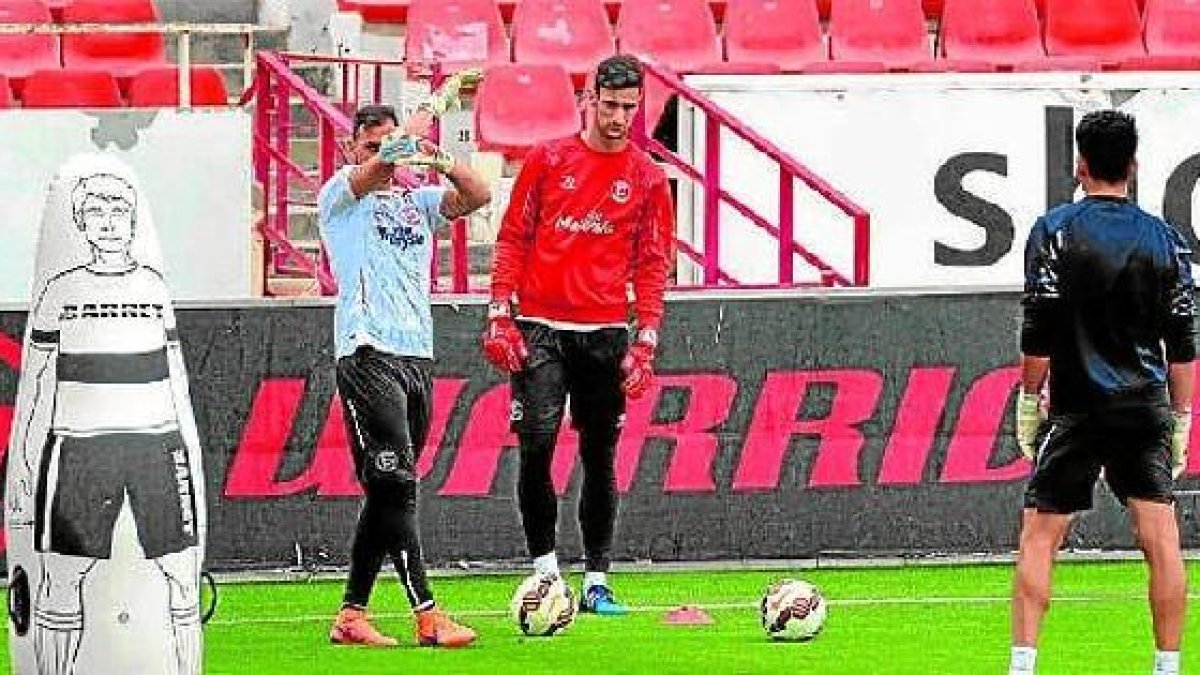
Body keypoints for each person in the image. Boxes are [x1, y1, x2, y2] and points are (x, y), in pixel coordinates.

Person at [481, 54, 676, 615]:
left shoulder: (647, 177)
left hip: (605, 332)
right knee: (537, 446)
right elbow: (514, 237)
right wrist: (499, 312)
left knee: (600, 454)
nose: (618, 118)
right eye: (610, 105)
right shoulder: (549, 159)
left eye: (629, 108)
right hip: (540, 325)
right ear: (589, 98)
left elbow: (652, 262)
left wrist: (647, 339)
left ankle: (596, 578)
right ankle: (545, 573)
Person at [1011, 110, 1194, 675]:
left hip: (1076, 407)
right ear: (1133, 167)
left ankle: (1023, 666)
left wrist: (1027, 401)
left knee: (1040, 537)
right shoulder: (1164, 238)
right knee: (1160, 537)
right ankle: (1167, 667)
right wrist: (1182, 419)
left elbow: (1037, 329)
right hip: (1142, 407)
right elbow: (1183, 345)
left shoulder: (1055, 231)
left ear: (1079, 165)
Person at [318, 90, 491, 648]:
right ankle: (427, 613)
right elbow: (389, 160)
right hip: (366, 352)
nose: (385, 156)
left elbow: (480, 193)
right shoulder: (340, 197)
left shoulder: (416, 203)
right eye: (369, 144)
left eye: (386, 143)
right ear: (352, 147)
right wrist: (432, 109)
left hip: (416, 355)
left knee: (385, 490)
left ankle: (350, 615)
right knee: (397, 482)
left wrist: (439, 159)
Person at [15, 169, 203, 675]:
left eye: (119, 212)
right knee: (61, 580)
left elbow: (177, 379)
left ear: (134, 221)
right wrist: (28, 465)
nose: (108, 223)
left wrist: (190, 457)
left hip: (157, 445)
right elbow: (37, 382)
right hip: (79, 447)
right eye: (96, 213)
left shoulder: (153, 288)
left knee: (182, 577)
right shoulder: (60, 291)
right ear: (80, 223)